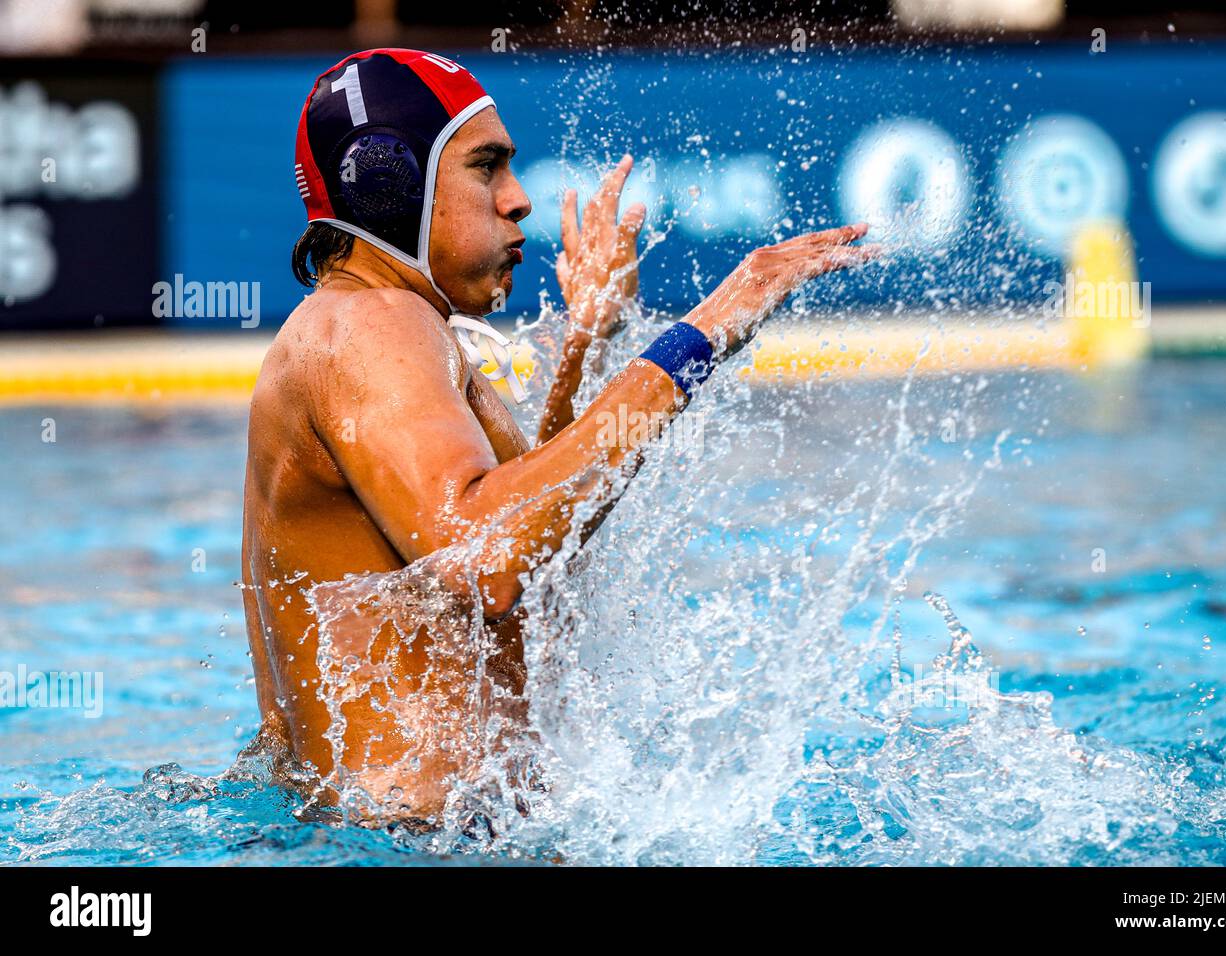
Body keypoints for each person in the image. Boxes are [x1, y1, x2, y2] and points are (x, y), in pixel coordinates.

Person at [241, 48, 879, 820]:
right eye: (486, 168)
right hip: (414, 843)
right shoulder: (368, 325)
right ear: (390, 184)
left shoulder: (369, 329)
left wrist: (587, 342)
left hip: (416, 835)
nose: (519, 201)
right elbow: (485, 556)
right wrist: (707, 329)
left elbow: (531, 552)